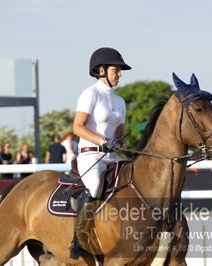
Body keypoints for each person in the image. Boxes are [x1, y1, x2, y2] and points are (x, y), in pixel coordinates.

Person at [70, 47, 130, 256]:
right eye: (116, 70)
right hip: (91, 155)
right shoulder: (90, 94)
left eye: (120, 71)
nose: (120, 75)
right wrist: (104, 141)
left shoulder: (120, 101)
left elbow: (120, 135)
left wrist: (129, 150)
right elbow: (78, 127)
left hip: (112, 156)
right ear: (101, 70)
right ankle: (79, 239)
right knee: (95, 186)